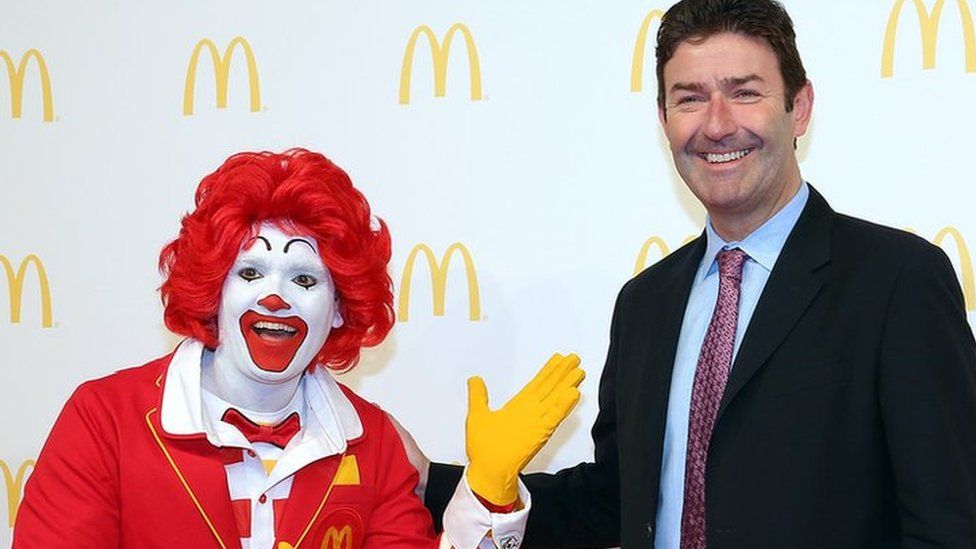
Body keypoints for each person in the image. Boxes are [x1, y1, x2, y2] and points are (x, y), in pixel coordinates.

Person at [415, 1, 976, 547]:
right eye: (690, 99)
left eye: (745, 92)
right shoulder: (645, 302)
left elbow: (949, 522)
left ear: (799, 107)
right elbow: (615, 503)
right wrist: (429, 482)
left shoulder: (899, 280)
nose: (717, 124)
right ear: (663, 120)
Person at [13, 149, 584, 549]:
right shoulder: (105, 420)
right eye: (251, 270)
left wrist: (485, 495)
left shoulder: (375, 445)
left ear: (339, 307)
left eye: (305, 280)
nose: (276, 298)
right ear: (213, 287)